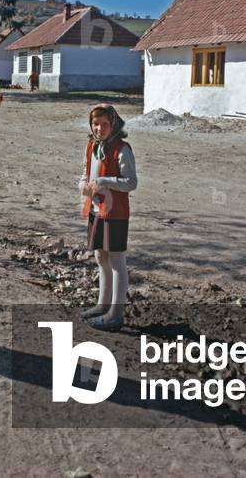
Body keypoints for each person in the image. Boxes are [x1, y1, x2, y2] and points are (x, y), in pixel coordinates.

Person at [79, 104, 137, 331]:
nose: (99, 129)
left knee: (116, 260)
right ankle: (103, 304)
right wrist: (83, 185)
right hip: (96, 211)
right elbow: (86, 172)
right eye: (95, 124)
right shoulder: (92, 146)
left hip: (116, 213)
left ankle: (116, 313)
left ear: (114, 125)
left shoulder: (122, 149)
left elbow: (131, 182)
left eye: (105, 124)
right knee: (100, 256)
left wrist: (104, 182)